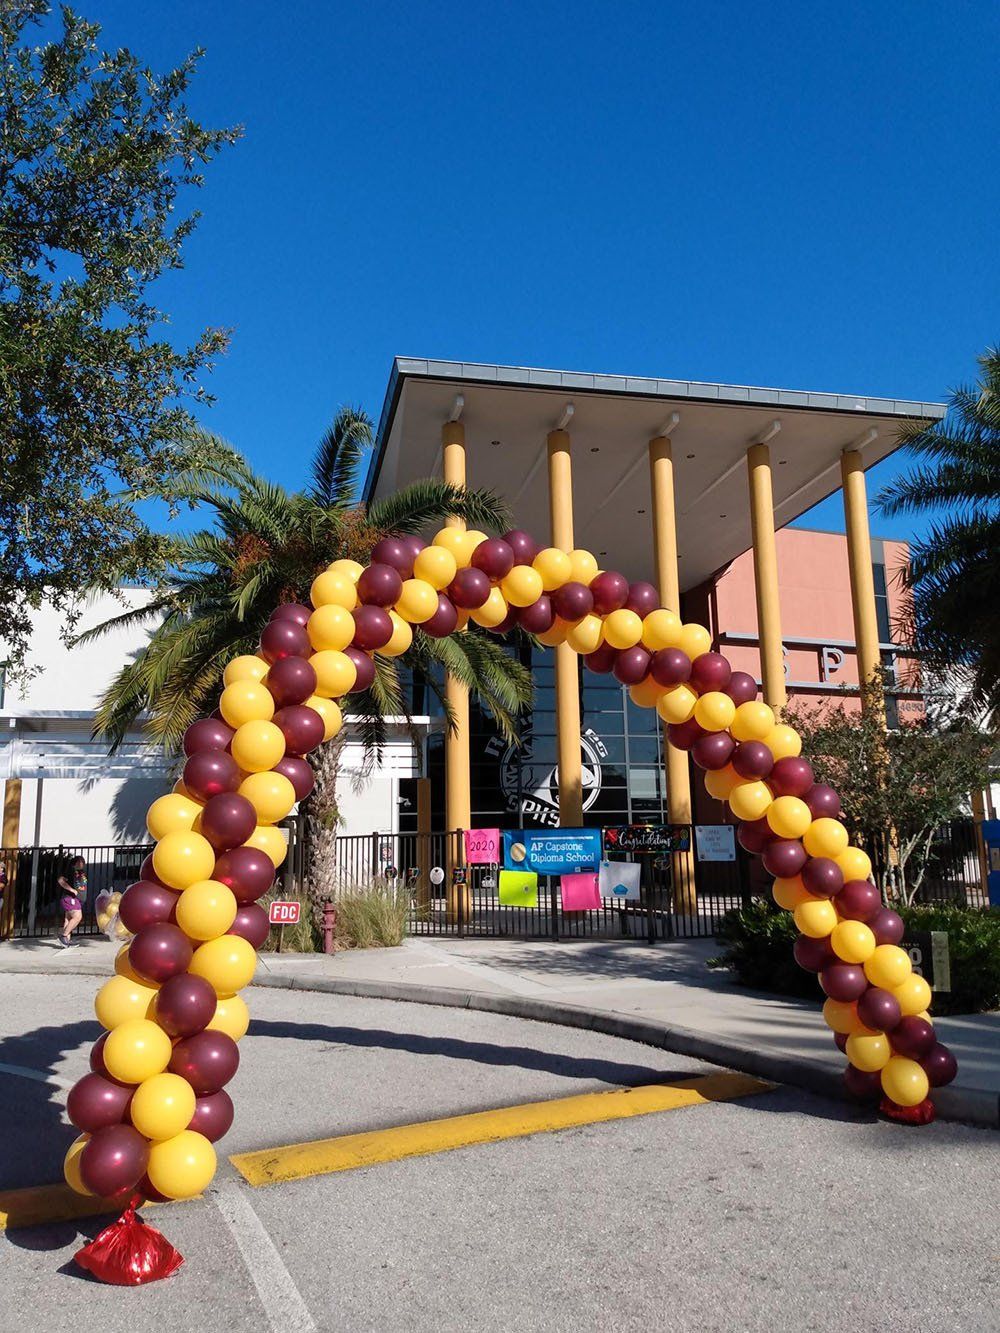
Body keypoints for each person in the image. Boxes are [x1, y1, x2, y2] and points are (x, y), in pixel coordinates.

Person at [56, 854, 87, 947]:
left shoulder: (81, 873)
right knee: (77, 917)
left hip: (75, 899)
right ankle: (64, 936)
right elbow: (60, 880)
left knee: (68, 919)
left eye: (83, 862)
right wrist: (71, 890)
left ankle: (66, 942)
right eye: (79, 861)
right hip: (70, 898)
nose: (82, 863)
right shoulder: (71, 871)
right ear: (75, 863)